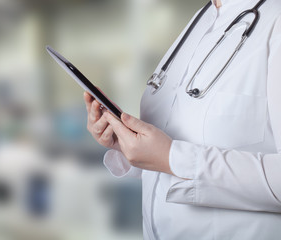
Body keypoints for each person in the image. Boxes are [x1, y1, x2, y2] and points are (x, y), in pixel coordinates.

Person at [84, 0, 281, 239]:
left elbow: (176, 156)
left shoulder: (275, 21)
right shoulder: (203, 17)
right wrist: (127, 138)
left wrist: (172, 158)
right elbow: (179, 138)